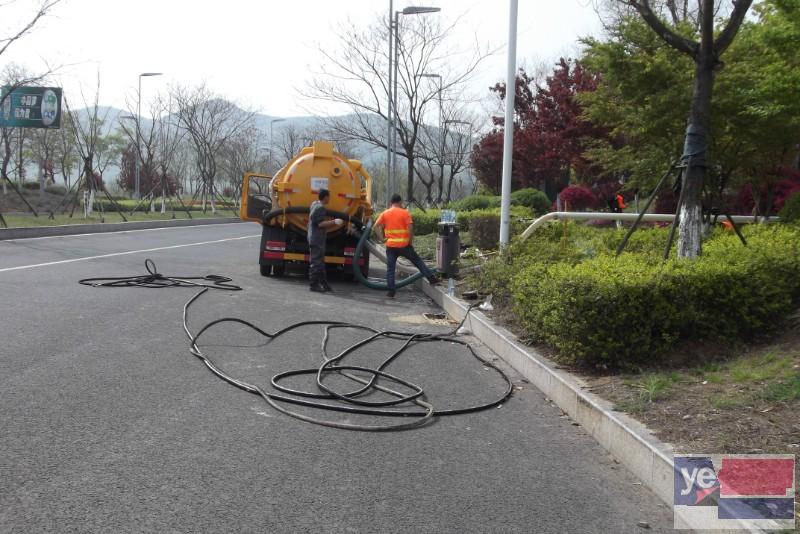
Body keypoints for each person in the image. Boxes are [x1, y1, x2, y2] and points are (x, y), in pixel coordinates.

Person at [374, 194, 439, 298]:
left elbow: (375, 226)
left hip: (390, 246)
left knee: (390, 269)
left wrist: (382, 239)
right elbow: (410, 228)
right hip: (404, 245)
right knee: (418, 261)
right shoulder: (405, 213)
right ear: (400, 202)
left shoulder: (385, 213)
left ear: (391, 202)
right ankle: (431, 279)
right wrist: (410, 242)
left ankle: (391, 292)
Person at [308, 189, 343, 293]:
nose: (330, 199)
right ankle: (313, 285)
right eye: (329, 196)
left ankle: (324, 284)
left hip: (313, 237)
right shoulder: (320, 208)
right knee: (316, 262)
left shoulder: (314, 204)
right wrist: (334, 222)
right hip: (317, 238)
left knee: (320, 262)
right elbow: (320, 224)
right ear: (326, 197)